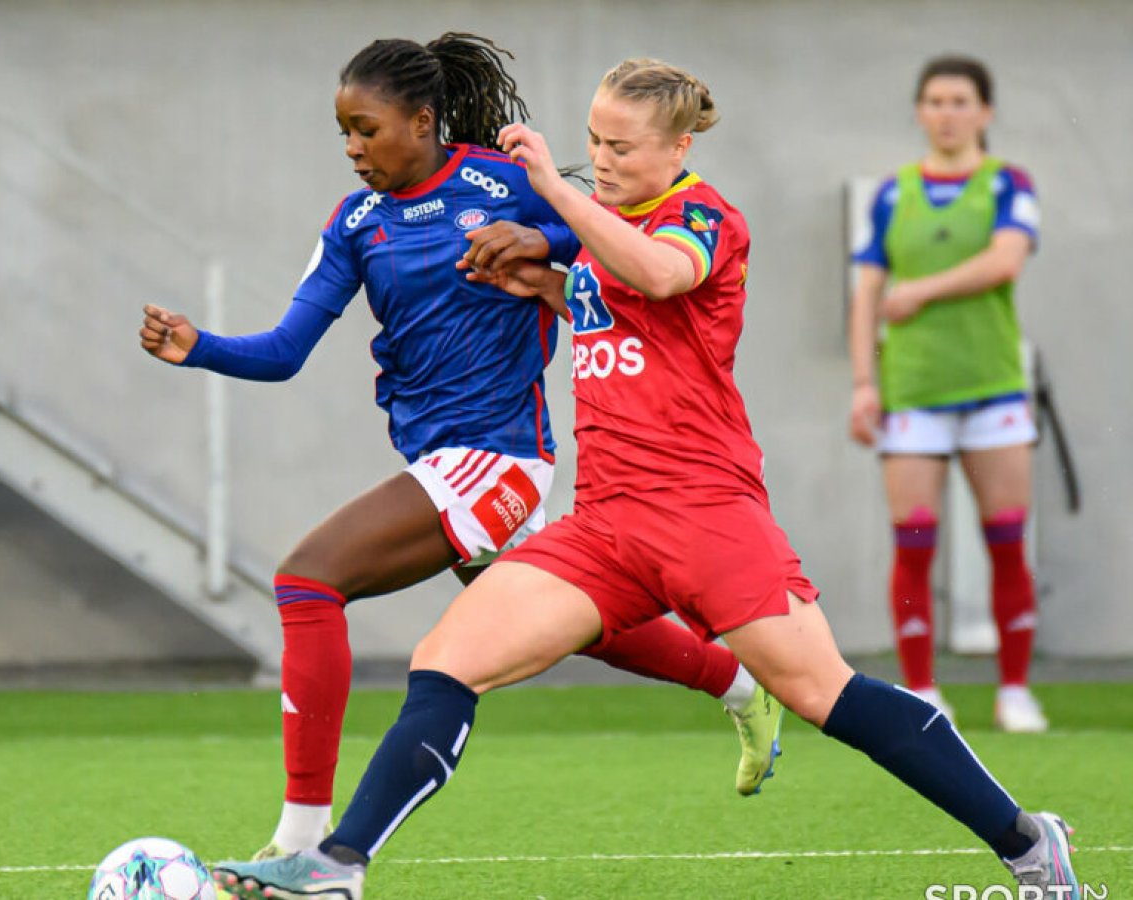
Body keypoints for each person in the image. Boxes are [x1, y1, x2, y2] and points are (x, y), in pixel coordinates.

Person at [213, 58, 1079, 900]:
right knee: (446, 661)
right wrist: (544, 279)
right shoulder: (602, 229)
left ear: (677, 150)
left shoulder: (703, 216)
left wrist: (552, 191)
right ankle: (337, 867)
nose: (605, 163)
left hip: (707, 513)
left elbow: (661, 275)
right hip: (606, 523)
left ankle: (1029, 842)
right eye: (595, 142)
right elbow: (611, 303)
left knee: (822, 692)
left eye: (623, 148)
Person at [139, 35, 782, 862]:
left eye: (367, 129)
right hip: (436, 459)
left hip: (502, 456)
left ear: (422, 119)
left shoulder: (502, 183)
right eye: (343, 132)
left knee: (307, 581)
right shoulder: (355, 223)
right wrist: (201, 347)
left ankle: (300, 839)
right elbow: (284, 351)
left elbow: (611, 244)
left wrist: (537, 240)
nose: (353, 149)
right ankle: (737, 682)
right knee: (583, 624)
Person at [847, 55, 1046, 732]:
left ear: (984, 112)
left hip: (993, 388)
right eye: (934, 100)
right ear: (919, 111)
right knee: (914, 542)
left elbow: (1006, 259)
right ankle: (924, 690)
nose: (947, 112)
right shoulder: (892, 194)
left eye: (961, 100)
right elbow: (866, 292)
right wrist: (864, 383)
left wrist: (921, 290)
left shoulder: (1007, 184)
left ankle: (1014, 689)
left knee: (1006, 540)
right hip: (913, 391)